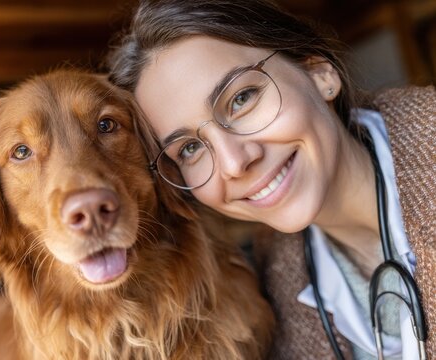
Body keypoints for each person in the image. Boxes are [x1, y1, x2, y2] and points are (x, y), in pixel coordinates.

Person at [107, 0, 435, 358]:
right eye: (189, 149)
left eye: (241, 99)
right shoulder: (272, 284)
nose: (233, 163)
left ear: (319, 73)